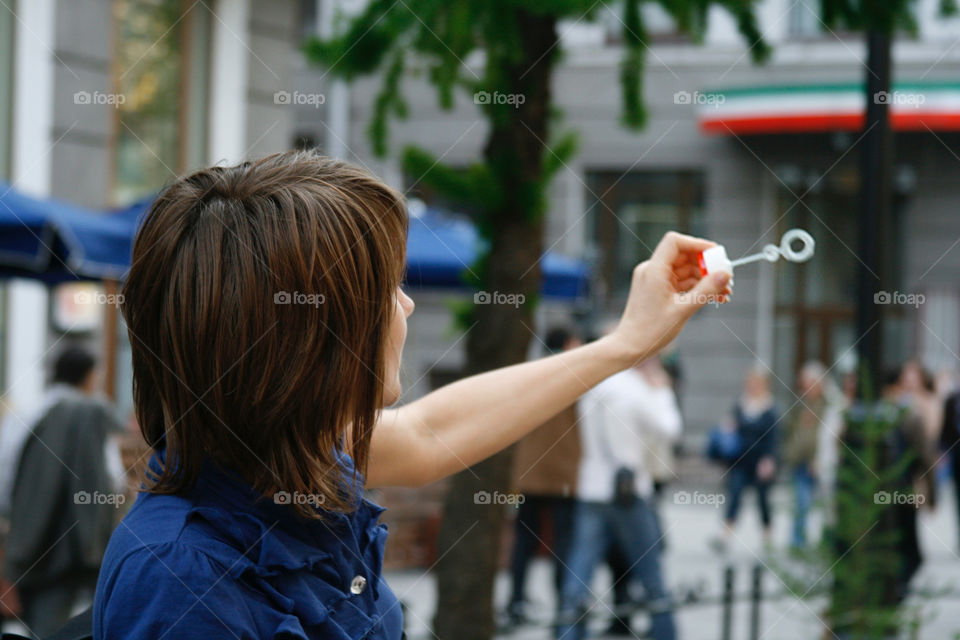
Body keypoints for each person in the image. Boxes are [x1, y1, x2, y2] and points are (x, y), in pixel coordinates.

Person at [92, 151, 732, 639]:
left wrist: (625, 344)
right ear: (311, 335)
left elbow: (430, 433)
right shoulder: (179, 577)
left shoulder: (285, 451)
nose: (407, 304)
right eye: (386, 289)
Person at [557, 351, 683, 640]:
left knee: (578, 575)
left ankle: (568, 633)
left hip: (591, 490)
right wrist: (663, 390)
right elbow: (671, 429)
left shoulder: (591, 387)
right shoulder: (635, 389)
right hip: (629, 494)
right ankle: (665, 633)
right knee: (652, 576)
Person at [2, 346, 124, 637]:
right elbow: (109, 481)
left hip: (26, 543)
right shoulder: (87, 412)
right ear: (89, 376)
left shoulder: (27, 412)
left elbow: (6, 479)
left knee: (38, 627)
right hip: (67, 550)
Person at [506, 326, 582, 627]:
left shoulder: (532, 374)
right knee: (563, 543)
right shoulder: (575, 378)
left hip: (530, 474)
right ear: (566, 344)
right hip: (565, 475)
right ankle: (562, 604)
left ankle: (515, 601)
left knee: (524, 541)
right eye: (576, 341)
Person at [712, 367, 780, 553]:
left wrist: (769, 460)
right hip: (741, 460)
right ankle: (724, 536)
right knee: (734, 495)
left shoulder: (770, 408)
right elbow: (731, 427)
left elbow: (774, 438)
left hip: (761, 461)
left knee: (763, 500)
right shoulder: (741, 405)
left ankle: (767, 537)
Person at [782, 361, 832, 551]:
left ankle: (826, 542)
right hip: (800, 461)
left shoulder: (827, 406)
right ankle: (798, 542)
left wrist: (818, 459)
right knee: (801, 502)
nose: (806, 387)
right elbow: (788, 431)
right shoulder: (798, 405)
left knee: (827, 504)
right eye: (804, 383)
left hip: (820, 463)